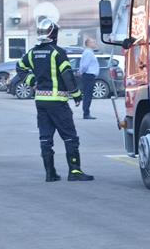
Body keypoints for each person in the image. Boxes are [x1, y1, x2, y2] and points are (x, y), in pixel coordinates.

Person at [17, 18, 94, 182]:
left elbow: (20, 68)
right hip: (58, 103)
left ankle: (50, 173)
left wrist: (32, 82)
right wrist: (76, 95)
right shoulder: (57, 52)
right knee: (70, 137)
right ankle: (74, 172)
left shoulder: (32, 53)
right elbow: (67, 74)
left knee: (45, 138)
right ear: (53, 33)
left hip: (41, 103)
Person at [79, 38, 99, 120]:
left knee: (88, 94)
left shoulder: (90, 52)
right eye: (93, 42)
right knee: (87, 95)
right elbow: (85, 65)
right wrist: (82, 72)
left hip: (89, 75)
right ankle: (86, 113)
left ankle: (86, 112)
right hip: (88, 75)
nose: (95, 43)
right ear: (88, 43)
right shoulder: (88, 52)